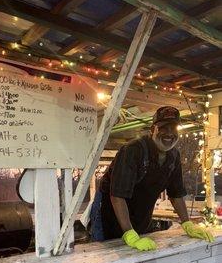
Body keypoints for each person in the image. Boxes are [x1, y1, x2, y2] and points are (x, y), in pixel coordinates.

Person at [91, 106, 214, 251]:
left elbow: (176, 194)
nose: (169, 133)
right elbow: (117, 195)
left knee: (141, 255)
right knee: (107, 255)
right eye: (163, 128)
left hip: (141, 215)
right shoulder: (132, 151)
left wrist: (187, 223)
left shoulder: (173, 156)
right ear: (152, 129)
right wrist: (130, 234)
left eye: (173, 128)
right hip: (110, 214)